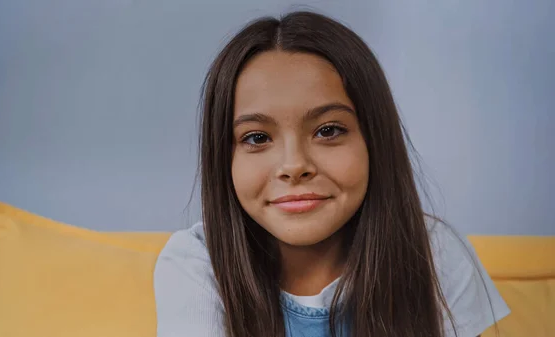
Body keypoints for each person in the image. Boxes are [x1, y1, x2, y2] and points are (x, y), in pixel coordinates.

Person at [154, 10, 510, 337]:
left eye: (328, 131)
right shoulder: (196, 263)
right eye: (257, 138)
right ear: (223, 156)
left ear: (374, 140)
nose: (294, 166)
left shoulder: (436, 252)